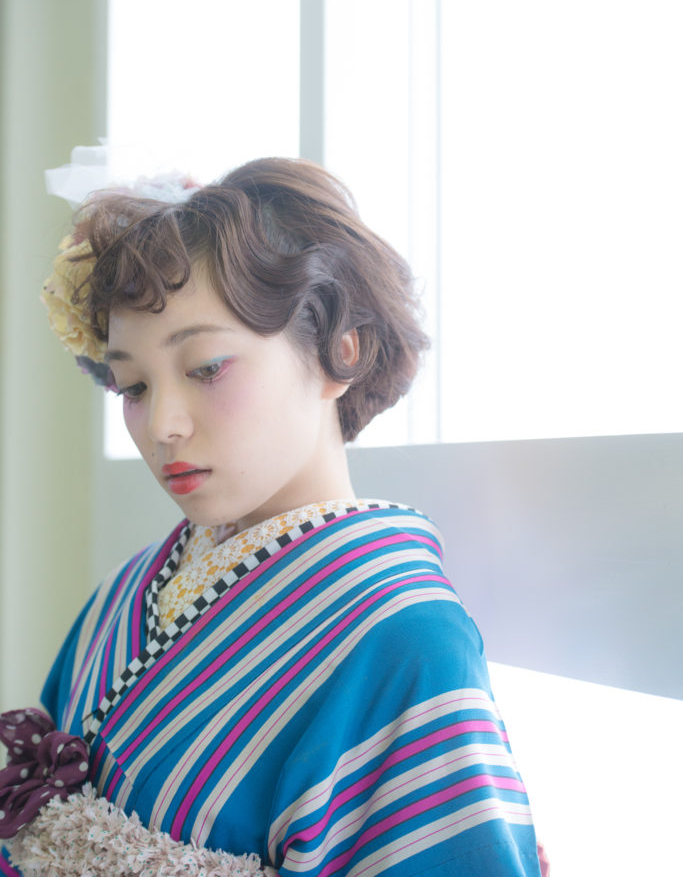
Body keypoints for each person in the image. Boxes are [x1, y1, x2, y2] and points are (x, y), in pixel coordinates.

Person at [0, 155, 545, 876]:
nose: (161, 425)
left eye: (206, 368)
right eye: (132, 386)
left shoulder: (407, 639)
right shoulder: (123, 595)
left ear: (339, 350)